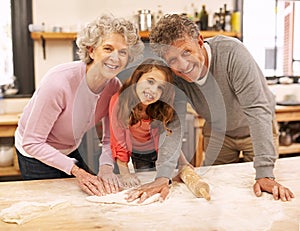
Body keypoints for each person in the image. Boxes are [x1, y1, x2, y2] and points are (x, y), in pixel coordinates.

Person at [126, 14, 294, 203]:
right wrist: (163, 177)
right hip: (218, 133)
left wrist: (265, 173)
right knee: (218, 194)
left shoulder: (232, 53)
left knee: (260, 197)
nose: (183, 66)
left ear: (199, 41)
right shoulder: (176, 78)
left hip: (254, 130)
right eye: (172, 60)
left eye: (186, 52)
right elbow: (172, 124)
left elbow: (257, 110)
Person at [14, 14, 144, 196]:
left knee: (82, 199)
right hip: (35, 154)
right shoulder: (59, 83)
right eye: (108, 48)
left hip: (69, 148)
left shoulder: (114, 88)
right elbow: (32, 142)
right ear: (91, 50)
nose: (116, 57)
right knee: (51, 208)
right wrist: (76, 170)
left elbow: (109, 139)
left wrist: (106, 168)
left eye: (123, 52)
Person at [109, 58, 190, 189]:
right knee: (145, 184)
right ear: (138, 76)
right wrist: (124, 173)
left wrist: (183, 163)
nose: (153, 90)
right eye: (150, 81)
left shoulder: (161, 105)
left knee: (167, 184)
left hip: (160, 150)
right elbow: (118, 140)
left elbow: (169, 136)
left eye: (160, 87)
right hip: (139, 153)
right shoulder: (120, 100)